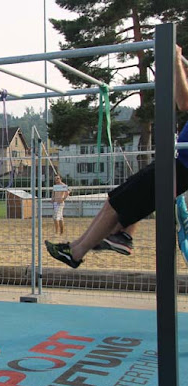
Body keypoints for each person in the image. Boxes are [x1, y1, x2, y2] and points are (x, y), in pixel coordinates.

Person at [46, 45, 188, 268]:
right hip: (176, 165)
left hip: (180, 167)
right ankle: (111, 238)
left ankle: (78, 251)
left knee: (117, 204)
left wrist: (176, 59)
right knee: (119, 201)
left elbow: (184, 101)